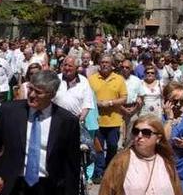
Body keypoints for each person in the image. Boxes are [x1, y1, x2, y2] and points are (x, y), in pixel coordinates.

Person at [89, 55, 128, 184]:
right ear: (99, 64)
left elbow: (124, 98)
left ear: (112, 65)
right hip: (97, 121)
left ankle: (108, 169)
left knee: (112, 146)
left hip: (114, 120)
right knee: (98, 148)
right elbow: (88, 96)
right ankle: (99, 171)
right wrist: (97, 103)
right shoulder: (92, 79)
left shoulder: (119, 79)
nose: (105, 64)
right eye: (102, 62)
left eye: (107, 62)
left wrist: (110, 103)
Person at [52, 55, 94, 123]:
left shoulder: (84, 81)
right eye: (65, 65)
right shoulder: (56, 79)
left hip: (75, 121)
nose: (67, 68)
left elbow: (87, 103)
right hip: (56, 120)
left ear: (76, 68)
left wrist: (82, 117)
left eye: (70, 66)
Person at [119, 59, 144, 146]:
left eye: (127, 67)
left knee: (131, 135)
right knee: (119, 134)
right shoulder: (116, 79)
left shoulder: (137, 80)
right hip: (119, 110)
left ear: (131, 69)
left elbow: (141, 96)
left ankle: (128, 152)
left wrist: (133, 109)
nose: (124, 69)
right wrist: (123, 109)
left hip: (133, 109)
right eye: (123, 67)